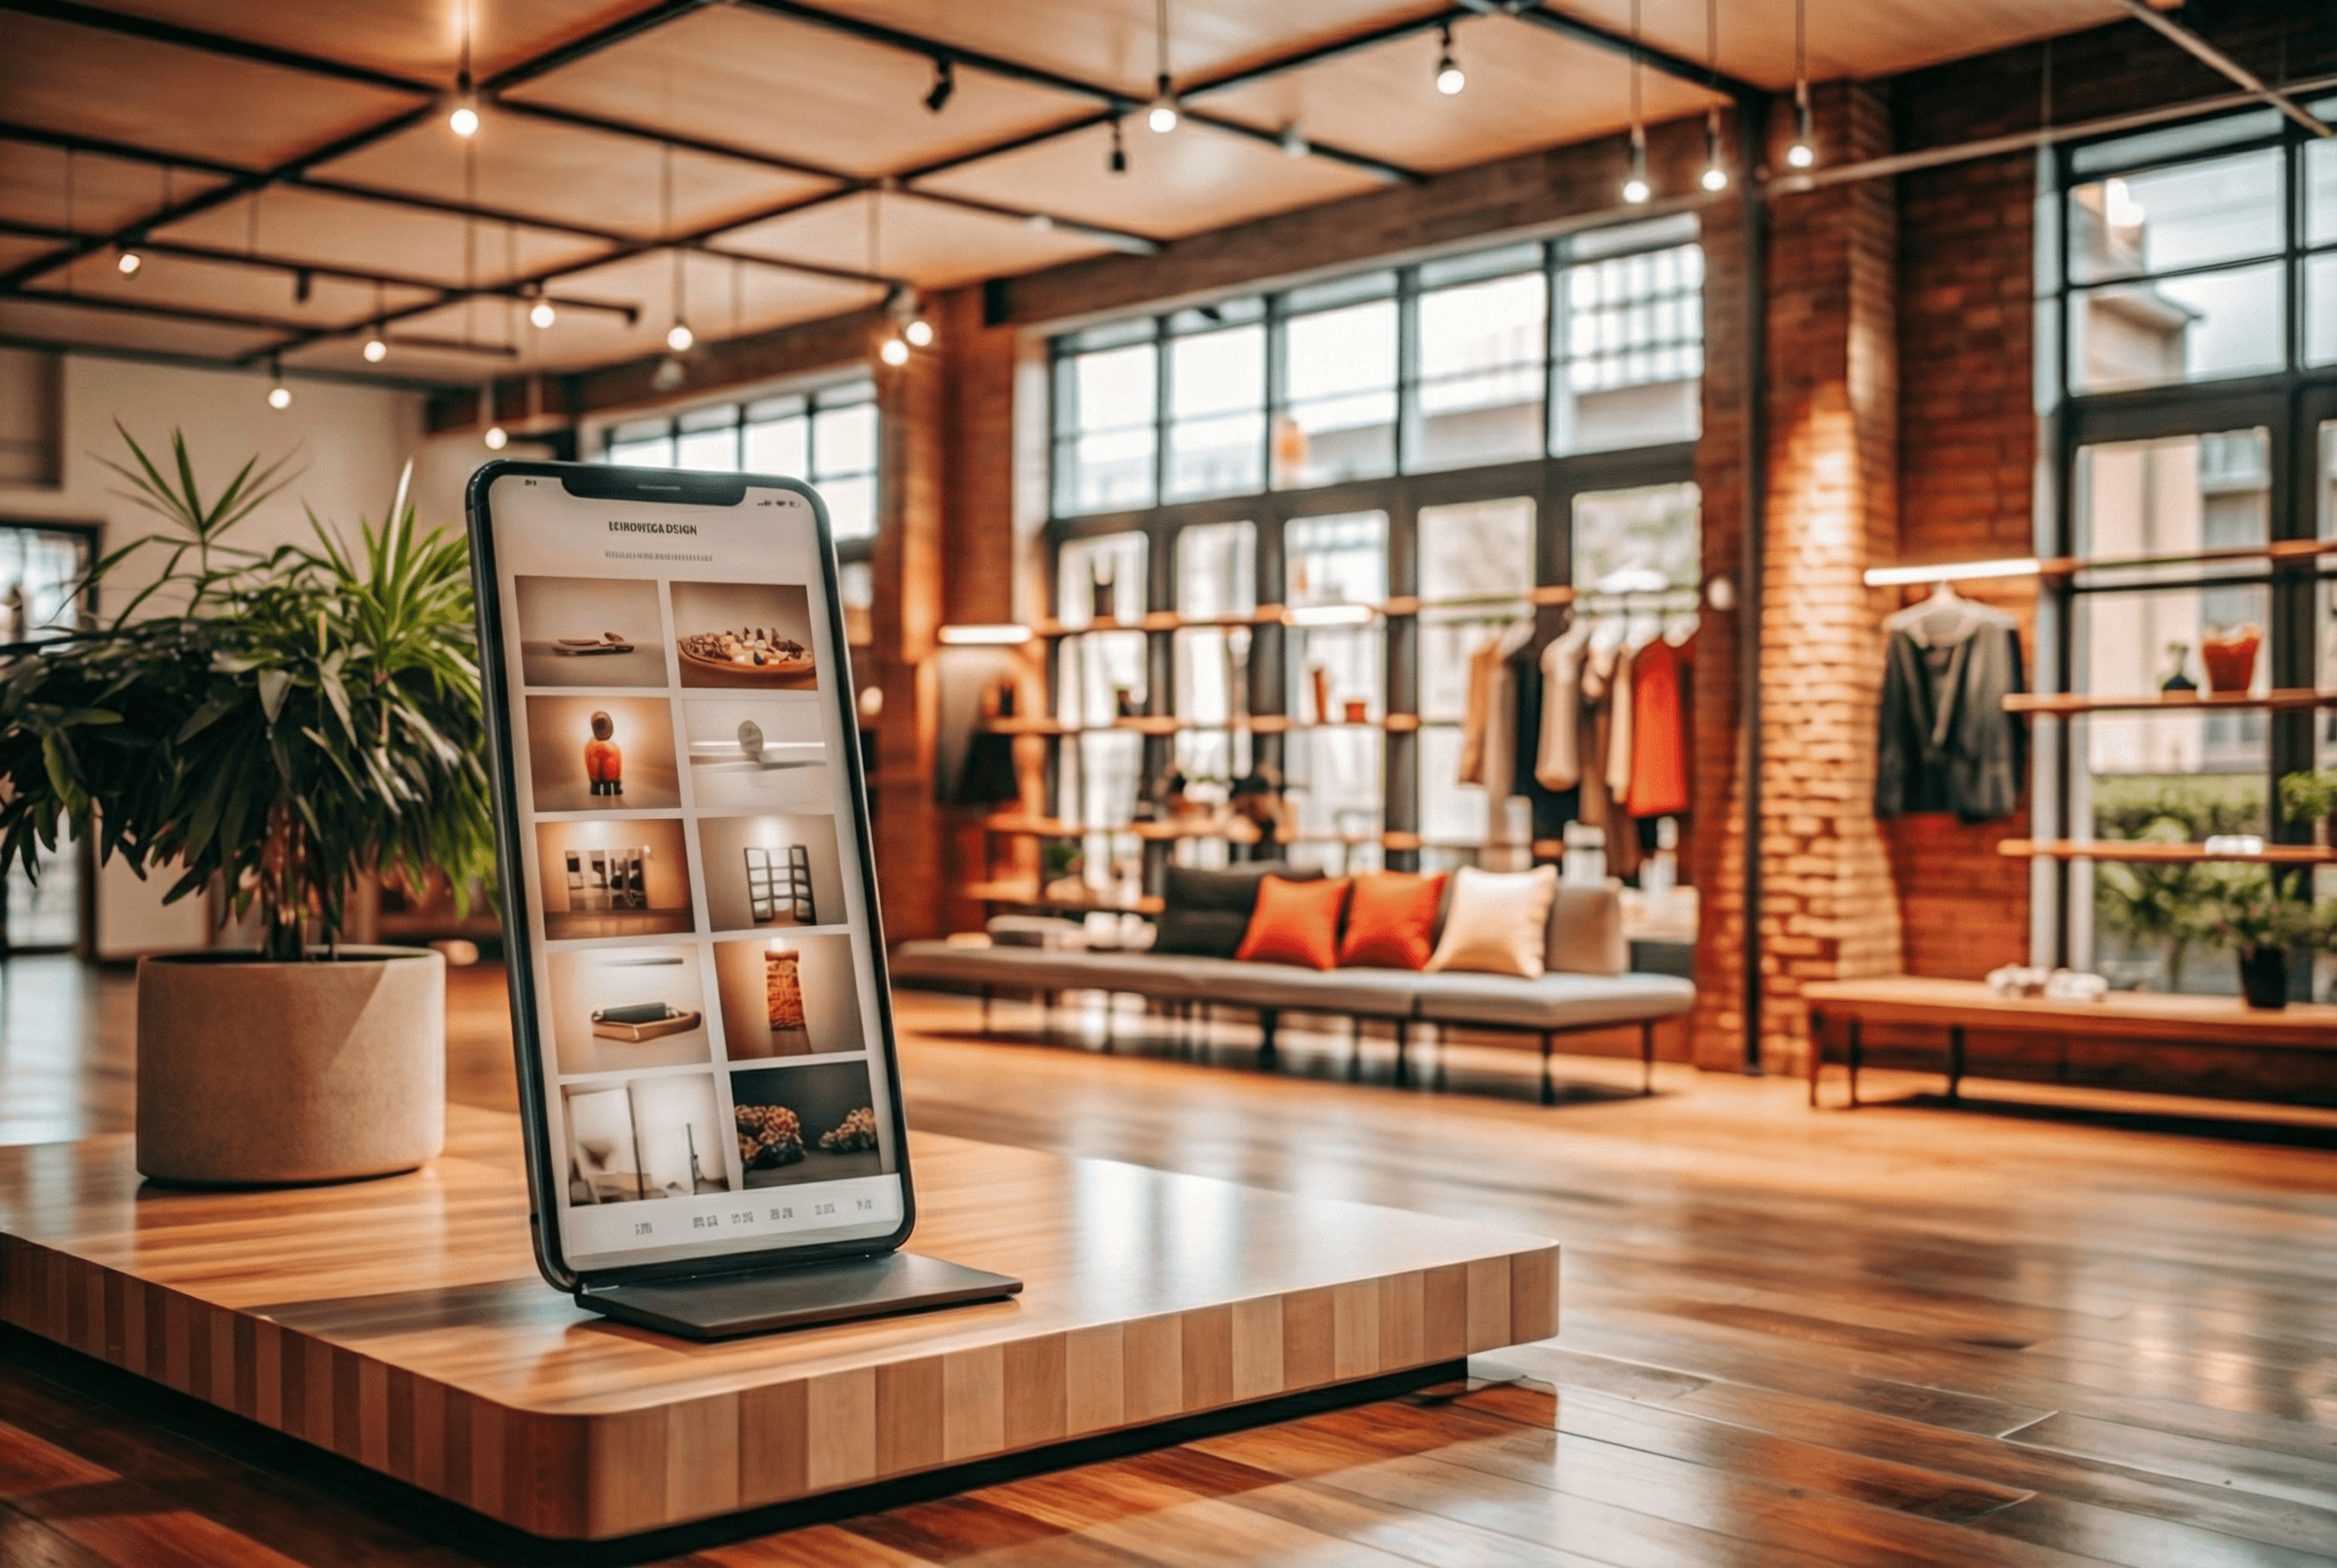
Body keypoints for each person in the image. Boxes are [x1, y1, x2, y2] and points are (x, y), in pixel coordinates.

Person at [584, 711, 623, 797]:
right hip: (603, 750)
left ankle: (602, 788)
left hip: (604, 750)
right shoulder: (593, 747)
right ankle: (601, 788)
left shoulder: (591, 746)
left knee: (606, 779)